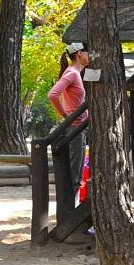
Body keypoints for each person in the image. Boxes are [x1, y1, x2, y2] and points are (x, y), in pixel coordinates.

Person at [48, 42, 88, 202]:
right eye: (87, 51)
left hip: (79, 127)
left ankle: (73, 209)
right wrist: (66, 115)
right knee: (74, 172)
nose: (89, 55)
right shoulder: (72, 73)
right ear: (79, 53)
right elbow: (53, 94)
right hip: (74, 127)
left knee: (77, 171)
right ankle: (70, 214)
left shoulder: (76, 73)